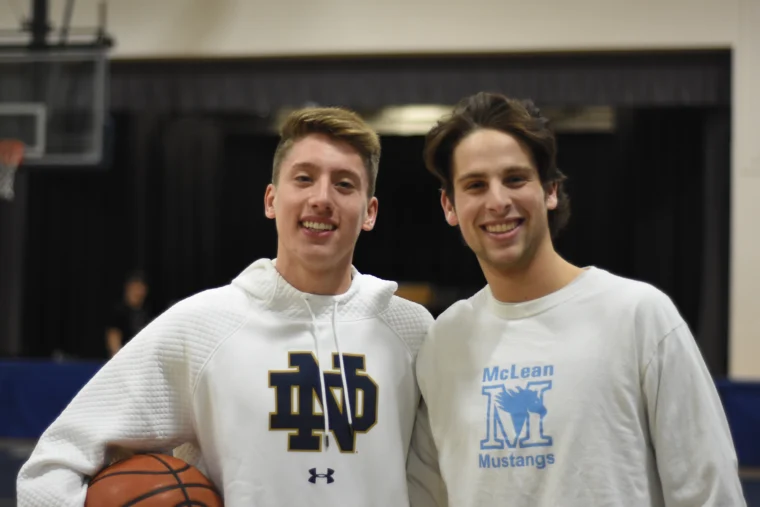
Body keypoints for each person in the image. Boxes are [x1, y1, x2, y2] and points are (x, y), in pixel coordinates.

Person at [18, 107, 440, 506]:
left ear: (369, 212)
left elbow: (437, 479)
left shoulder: (411, 330)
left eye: (344, 184)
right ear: (271, 200)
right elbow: (54, 464)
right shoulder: (204, 325)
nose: (322, 198)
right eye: (304, 178)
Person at [413, 91, 746, 506]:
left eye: (515, 179)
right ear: (450, 205)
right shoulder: (443, 342)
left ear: (550, 190)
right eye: (475, 185)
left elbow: (709, 490)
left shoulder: (638, 316)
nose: (497, 202)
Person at [105, 270, 152, 358]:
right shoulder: (119, 311)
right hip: (125, 360)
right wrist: (117, 358)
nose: (138, 292)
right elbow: (113, 336)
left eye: (141, 288)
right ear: (128, 288)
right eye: (135, 288)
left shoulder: (146, 312)